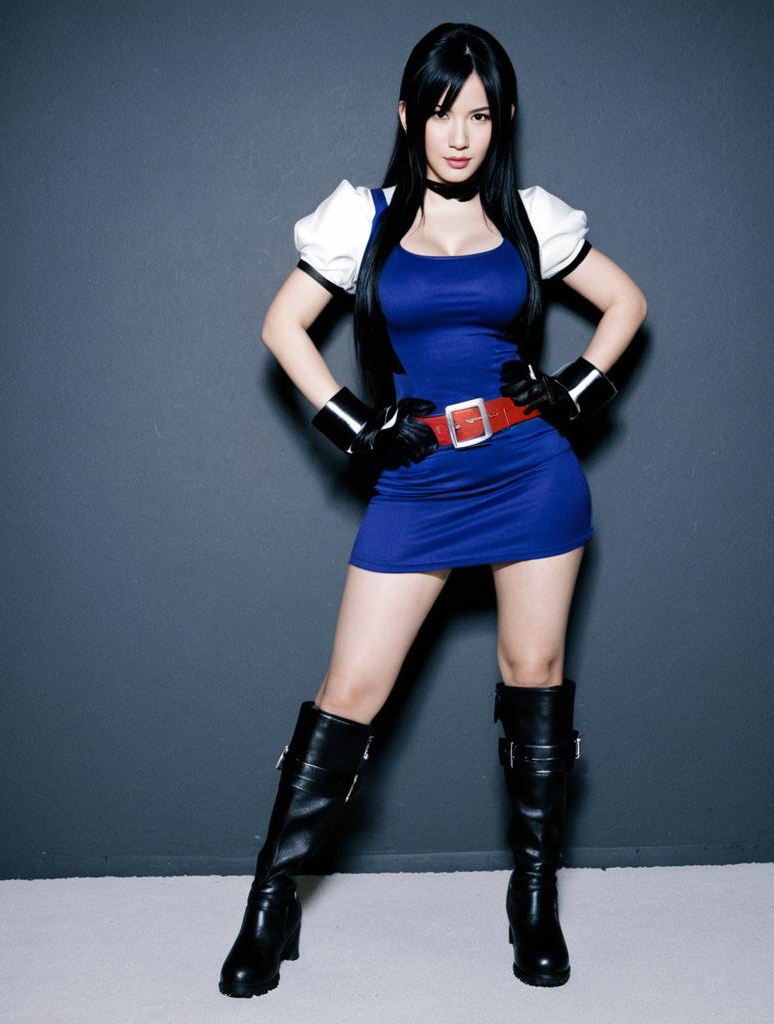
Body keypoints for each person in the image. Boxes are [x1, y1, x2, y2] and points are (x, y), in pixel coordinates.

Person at [219, 22, 647, 997]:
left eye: (481, 116)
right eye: (443, 112)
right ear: (408, 114)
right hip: (419, 483)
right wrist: (357, 426)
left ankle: (533, 900)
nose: (460, 135)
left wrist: (573, 390)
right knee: (351, 689)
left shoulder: (530, 220)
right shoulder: (363, 220)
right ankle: (270, 903)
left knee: (535, 674)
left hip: (530, 473)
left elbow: (626, 305)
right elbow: (283, 326)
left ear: (503, 123)